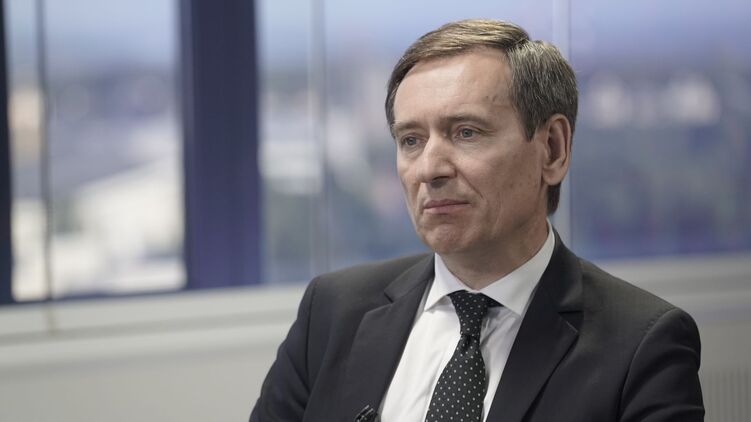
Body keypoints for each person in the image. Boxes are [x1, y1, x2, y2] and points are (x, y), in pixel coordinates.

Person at [250, 19, 704, 422]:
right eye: (411, 140)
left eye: (466, 132)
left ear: (552, 149)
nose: (430, 169)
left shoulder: (642, 347)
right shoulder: (331, 313)